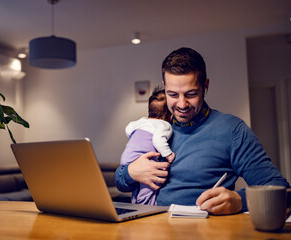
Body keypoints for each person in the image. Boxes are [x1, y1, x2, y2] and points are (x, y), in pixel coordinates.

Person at [115, 47, 290, 215]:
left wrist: (239, 200)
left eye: (191, 94)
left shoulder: (232, 130)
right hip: (148, 230)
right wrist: (131, 172)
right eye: (173, 94)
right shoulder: (153, 127)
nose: (182, 104)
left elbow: (280, 189)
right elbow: (121, 182)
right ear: (164, 87)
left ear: (205, 85)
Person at [121, 86, 175, 205]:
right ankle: (146, 206)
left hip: (128, 159)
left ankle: (135, 203)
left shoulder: (140, 121)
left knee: (137, 185)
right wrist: (168, 154)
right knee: (149, 186)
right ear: (169, 115)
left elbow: (128, 129)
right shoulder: (164, 125)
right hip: (146, 160)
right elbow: (158, 139)